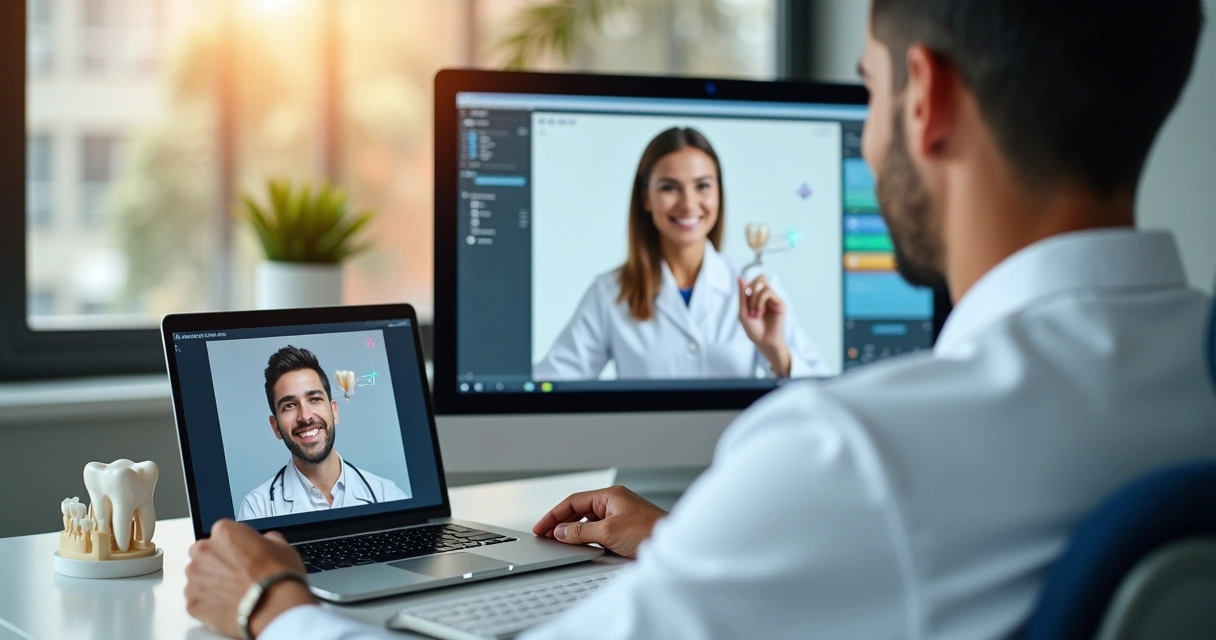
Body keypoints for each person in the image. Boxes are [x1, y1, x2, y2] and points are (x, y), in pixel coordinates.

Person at [185, 1, 1216, 638]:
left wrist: (274, 605)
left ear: (922, 97)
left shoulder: (856, 454)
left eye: (865, 94)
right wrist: (703, 540)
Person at [533, 126, 829, 381]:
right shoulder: (609, 293)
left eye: (702, 186)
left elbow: (821, 395)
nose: (688, 204)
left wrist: (776, 351)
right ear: (646, 198)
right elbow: (550, 384)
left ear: (718, 193)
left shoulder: (757, 288)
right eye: (669, 188)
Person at [237, 345, 408, 520]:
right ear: (276, 427)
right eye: (289, 406)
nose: (305, 417)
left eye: (314, 399)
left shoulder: (387, 495)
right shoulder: (256, 510)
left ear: (334, 412)